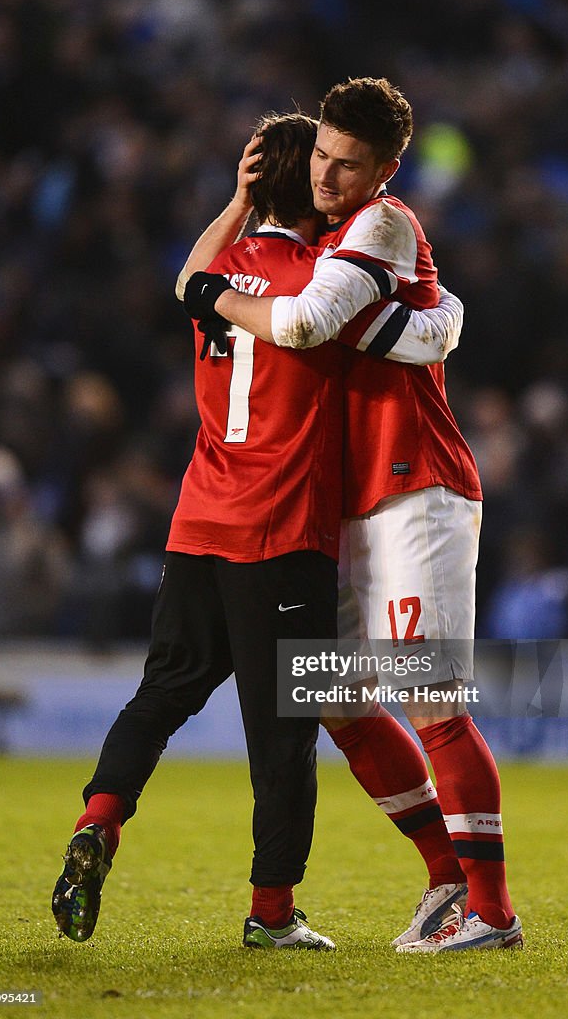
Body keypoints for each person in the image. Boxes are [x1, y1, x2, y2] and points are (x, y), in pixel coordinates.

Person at [52, 111, 459, 952]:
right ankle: (271, 912)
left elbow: (185, 278)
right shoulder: (320, 275)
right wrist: (447, 307)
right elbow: (382, 325)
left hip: (197, 518)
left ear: (250, 186)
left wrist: (235, 205)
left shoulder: (215, 272)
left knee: (160, 694)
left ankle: (100, 821)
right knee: (283, 735)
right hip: (281, 530)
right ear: (303, 180)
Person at [184, 77, 523, 952]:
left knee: (429, 694)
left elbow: (304, 324)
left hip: (417, 487)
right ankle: (446, 877)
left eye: (350, 165)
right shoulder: (325, 236)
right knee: (333, 695)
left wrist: (211, 296)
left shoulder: (382, 224)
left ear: (386, 168)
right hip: (350, 501)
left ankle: (491, 910)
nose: (330, 176)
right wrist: (429, 323)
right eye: (324, 157)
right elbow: (391, 322)